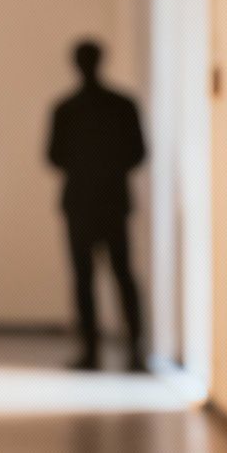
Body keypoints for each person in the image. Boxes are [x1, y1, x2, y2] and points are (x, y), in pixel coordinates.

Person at [46, 39, 148, 372]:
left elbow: (54, 156)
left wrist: (84, 166)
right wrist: (107, 167)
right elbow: (137, 153)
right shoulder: (121, 105)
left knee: (87, 277)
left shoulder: (66, 108)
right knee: (120, 274)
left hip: (81, 201)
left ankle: (92, 350)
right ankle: (134, 348)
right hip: (111, 199)